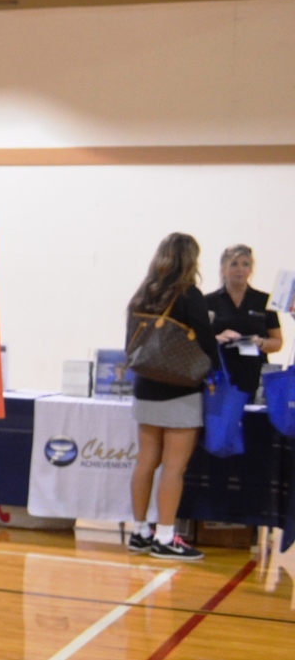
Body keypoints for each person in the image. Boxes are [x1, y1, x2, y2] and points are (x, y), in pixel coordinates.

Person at [126, 233, 220, 561]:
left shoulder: (143, 293)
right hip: (180, 390)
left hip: (146, 386)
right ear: (190, 260)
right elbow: (206, 344)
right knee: (173, 468)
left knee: (146, 461)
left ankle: (139, 532)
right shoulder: (190, 294)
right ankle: (166, 537)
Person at [206, 243, 282, 400]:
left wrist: (261, 343)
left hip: (255, 375)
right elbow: (197, 341)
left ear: (251, 270)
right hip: (220, 376)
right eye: (234, 264)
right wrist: (217, 339)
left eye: (245, 264)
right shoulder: (208, 301)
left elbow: (277, 342)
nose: (240, 269)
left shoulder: (264, 301)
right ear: (223, 269)